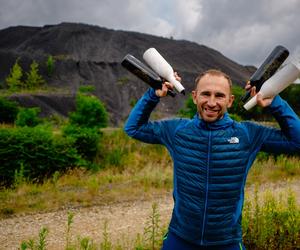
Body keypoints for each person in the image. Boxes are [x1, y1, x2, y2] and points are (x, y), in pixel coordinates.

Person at [124, 69, 300, 250]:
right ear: (194, 97)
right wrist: (153, 95)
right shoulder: (177, 130)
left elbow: (297, 142)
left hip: (226, 241)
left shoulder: (247, 134)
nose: (212, 102)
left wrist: (275, 102)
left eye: (220, 96)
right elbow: (133, 128)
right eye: (206, 94)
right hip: (181, 238)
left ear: (230, 101)